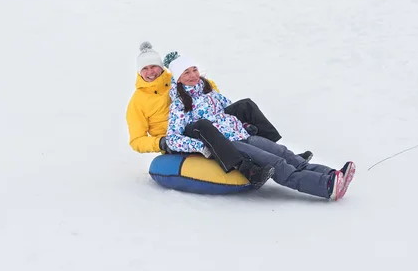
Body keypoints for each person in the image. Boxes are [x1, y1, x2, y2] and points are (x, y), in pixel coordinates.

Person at [163, 51, 355, 201]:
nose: (192, 75)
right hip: (230, 145)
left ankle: (332, 174)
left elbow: (229, 111)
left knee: (285, 154)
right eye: (186, 72)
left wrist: (245, 124)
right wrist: (201, 147)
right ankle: (326, 187)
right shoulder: (180, 104)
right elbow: (172, 138)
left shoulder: (209, 92)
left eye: (194, 69)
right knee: (277, 164)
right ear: (178, 78)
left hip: (242, 134)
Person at [125, 42, 310, 185]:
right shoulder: (137, 102)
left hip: (203, 119)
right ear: (139, 71)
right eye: (145, 68)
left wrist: (208, 90)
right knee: (204, 127)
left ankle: (276, 151)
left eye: (154, 66)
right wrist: (161, 142)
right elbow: (136, 140)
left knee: (245, 106)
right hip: (181, 134)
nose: (151, 72)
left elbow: (208, 91)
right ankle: (247, 166)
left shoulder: (175, 77)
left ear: (161, 67)